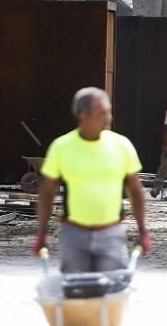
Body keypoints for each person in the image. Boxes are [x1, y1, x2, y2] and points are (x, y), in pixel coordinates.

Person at [32, 87, 151, 267]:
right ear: (83, 115)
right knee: (76, 290)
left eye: (108, 112)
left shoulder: (121, 145)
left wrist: (143, 230)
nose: (108, 117)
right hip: (74, 235)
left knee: (114, 288)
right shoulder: (62, 147)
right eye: (102, 113)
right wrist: (42, 233)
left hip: (111, 233)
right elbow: (47, 192)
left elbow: (135, 190)